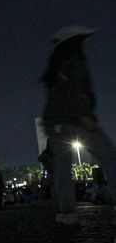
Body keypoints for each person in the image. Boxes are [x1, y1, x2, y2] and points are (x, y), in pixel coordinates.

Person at [40, 26, 116, 224]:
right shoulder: (77, 61)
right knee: (109, 156)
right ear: (76, 42)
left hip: (54, 122)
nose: (87, 43)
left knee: (63, 168)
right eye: (84, 39)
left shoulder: (55, 66)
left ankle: (66, 212)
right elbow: (77, 91)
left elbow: (55, 96)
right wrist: (87, 117)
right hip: (75, 118)